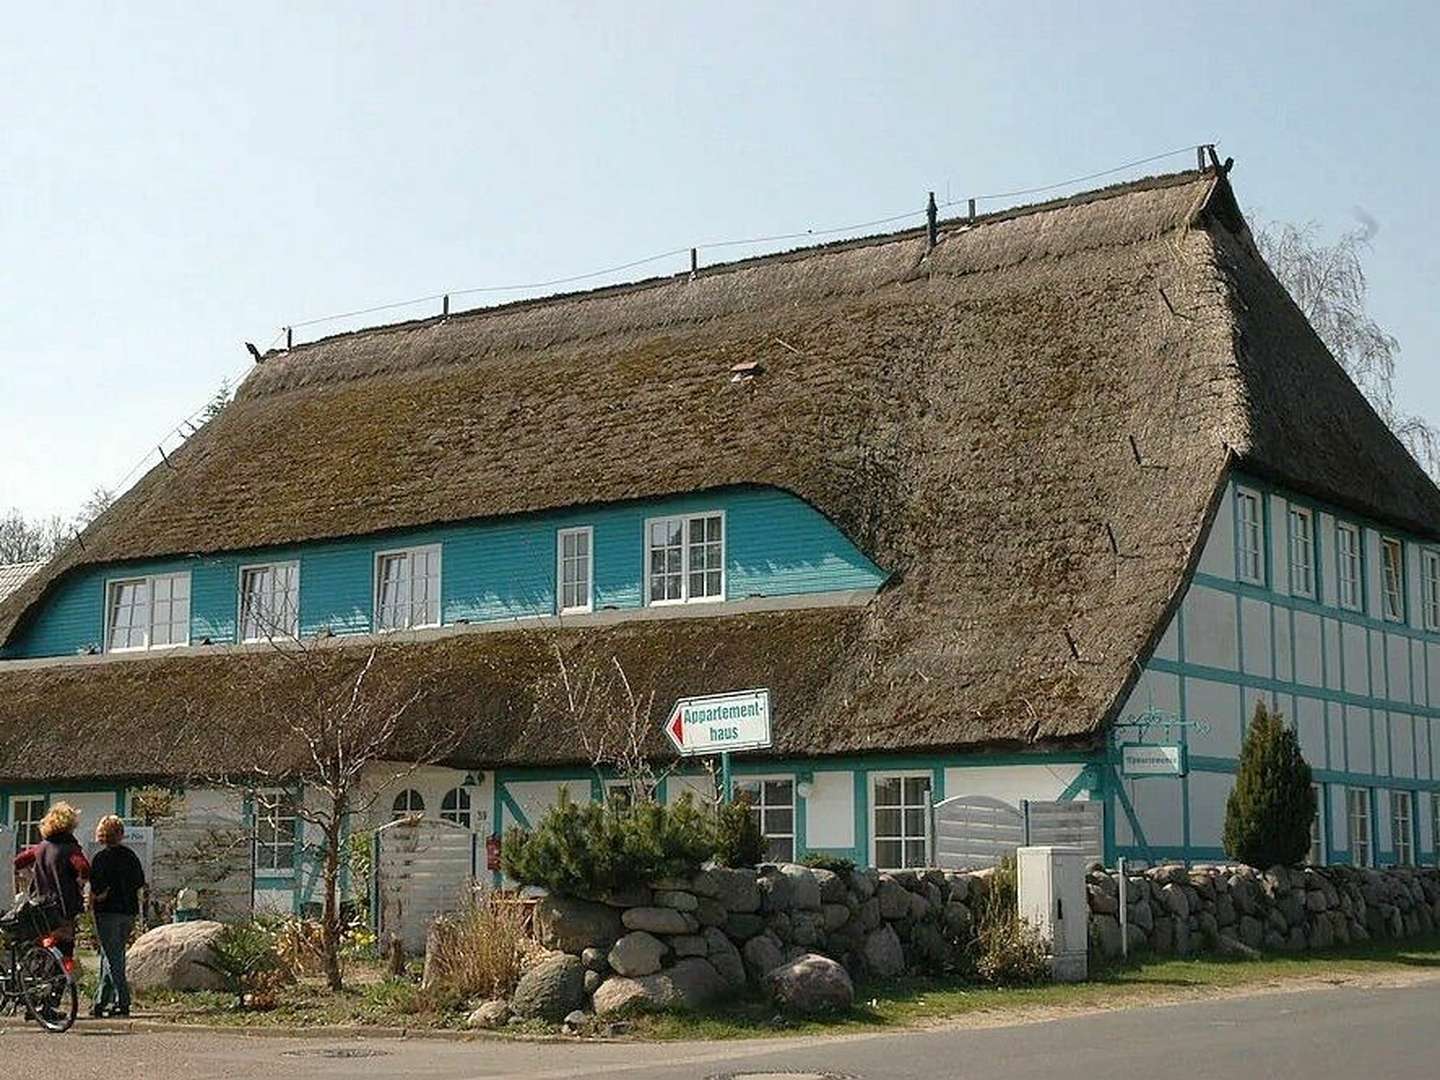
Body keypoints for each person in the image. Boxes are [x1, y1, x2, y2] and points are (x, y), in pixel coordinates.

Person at [12, 802, 89, 975]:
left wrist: (30, 875)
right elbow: (84, 868)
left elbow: (18, 861)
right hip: (63, 907)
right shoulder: (70, 848)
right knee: (65, 951)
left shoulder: (41, 848)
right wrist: (80, 882)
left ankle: (39, 984)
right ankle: (58, 988)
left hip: (39, 905)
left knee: (40, 945)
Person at [88, 814, 145, 1018]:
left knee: (112, 958)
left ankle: (123, 1000)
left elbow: (97, 888)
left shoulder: (101, 859)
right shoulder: (130, 856)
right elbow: (139, 881)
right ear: (121, 834)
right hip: (128, 911)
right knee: (112, 954)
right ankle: (101, 1000)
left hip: (107, 912)